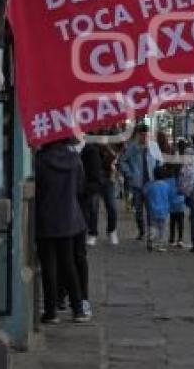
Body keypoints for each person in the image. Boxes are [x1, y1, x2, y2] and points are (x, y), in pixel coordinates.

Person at [34, 138, 91, 323]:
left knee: (48, 265)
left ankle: (51, 312)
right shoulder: (74, 159)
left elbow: (37, 187)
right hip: (68, 218)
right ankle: (78, 309)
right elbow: (81, 187)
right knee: (68, 264)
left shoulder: (40, 159)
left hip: (46, 217)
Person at [118, 124, 162, 241]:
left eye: (146, 135)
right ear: (138, 135)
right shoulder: (132, 148)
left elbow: (160, 161)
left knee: (151, 210)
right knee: (138, 211)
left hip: (151, 184)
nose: (144, 138)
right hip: (137, 184)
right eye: (142, 135)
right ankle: (141, 230)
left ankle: (150, 233)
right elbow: (123, 161)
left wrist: (159, 173)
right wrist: (129, 173)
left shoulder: (154, 146)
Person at [81, 132, 119, 246]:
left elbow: (116, 158)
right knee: (93, 207)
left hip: (107, 179)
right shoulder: (89, 145)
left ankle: (112, 230)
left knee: (112, 206)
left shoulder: (107, 144)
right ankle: (93, 233)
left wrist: (107, 149)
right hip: (93, 180)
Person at [145, 166, 175, 252]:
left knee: (153, 226)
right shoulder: (167, 186)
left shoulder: (151, 186)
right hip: (165, 211)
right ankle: (161, 245)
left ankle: (151, 239)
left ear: (154, 175)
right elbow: (171, 197)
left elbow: (145, 192)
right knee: (163, 229)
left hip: (153, 211)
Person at [167, 164, 187, 247]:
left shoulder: (168, 180)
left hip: (171, 205)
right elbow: (184, 191)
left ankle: (171, 238)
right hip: (180, 204)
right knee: (180, 222)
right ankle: (180, 239)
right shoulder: (182, 180)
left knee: (172, 222)